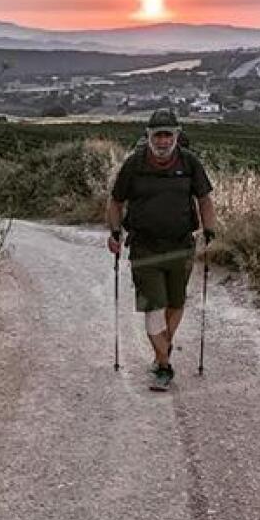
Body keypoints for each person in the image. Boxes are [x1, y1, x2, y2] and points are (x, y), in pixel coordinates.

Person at [106, 108, 217, 390]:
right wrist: (115, 232)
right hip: (145, 247)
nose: (164, 140)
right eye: (159, 135)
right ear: (149, 136)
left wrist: (209, 230)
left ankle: (161, 350)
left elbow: (204, 199)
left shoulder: (190, 163)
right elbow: (116, 201)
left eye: (169, 134)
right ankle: (164, 366)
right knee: (154, 306)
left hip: (181, 245)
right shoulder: (134, 164)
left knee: (176, 302)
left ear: (177, 136)